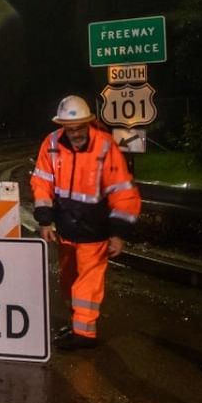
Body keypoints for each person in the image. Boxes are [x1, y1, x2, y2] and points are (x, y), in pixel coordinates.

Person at [30, 95, 140, 350]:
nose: (75, 133)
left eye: (79, 128)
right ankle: (77, 321)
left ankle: (84, 332)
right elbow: (42, 183)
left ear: (88, 123)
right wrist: (45, 221)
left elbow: (122, 192)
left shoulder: (104, 146)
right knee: (68, 280)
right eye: (70, 129)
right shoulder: (52, 143)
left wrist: (118, 233)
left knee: (87, 282)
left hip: (95, 230)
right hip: (65, 229)